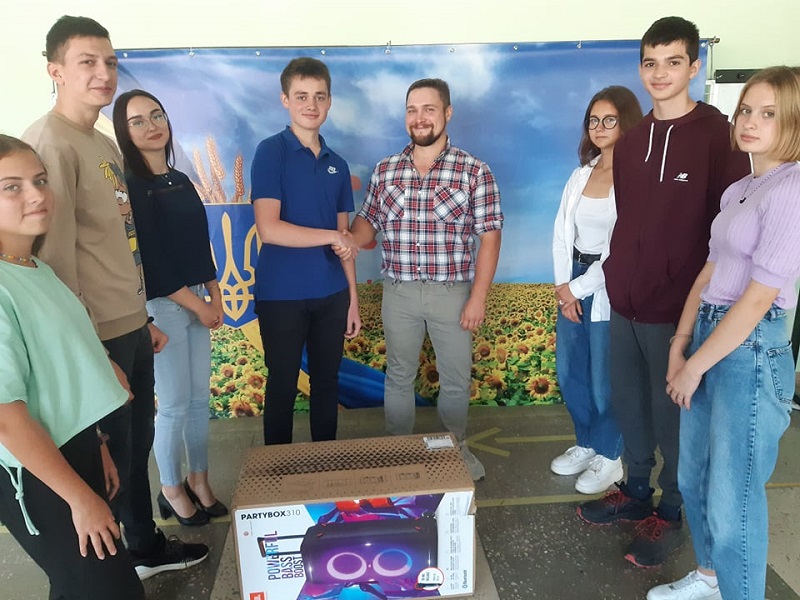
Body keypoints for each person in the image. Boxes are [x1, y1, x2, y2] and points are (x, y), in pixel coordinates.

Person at [22, 15, 208, 579]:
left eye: (109, 61)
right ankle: (113, 569)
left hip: (128, 322)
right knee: (107, 457)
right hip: (95, 334)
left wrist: (140, 317)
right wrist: (91, 350)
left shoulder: (101, 142)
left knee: (135, 444)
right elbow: (55, 263)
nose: (103, 73)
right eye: (87, 62)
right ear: (55, 70)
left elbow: (117, 243)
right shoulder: (50, 144)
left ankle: (143, 546)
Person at [576, 16, 751, 568]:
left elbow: (729, 231)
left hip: (679, 310)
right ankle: (635, 492)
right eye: (650, 63)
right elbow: (630, 221)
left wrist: (697, 307)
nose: (660, 73)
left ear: (694, 67)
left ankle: (671, 510)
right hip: (625, 302)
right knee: (630, 406)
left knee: (673, 417)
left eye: (673, 62)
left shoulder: (718, 137)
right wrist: (617, 275)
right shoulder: (631, 142)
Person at [647, 66, 800, 600]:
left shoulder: (792, 187)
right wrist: (680, 345)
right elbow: (709, 273)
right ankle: (711, 576)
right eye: (746, 111)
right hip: (711, 337)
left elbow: (757, 298)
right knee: (693, 477)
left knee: (734, 498)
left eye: (769, 114)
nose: (750, 122)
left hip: (750, 351)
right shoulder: (741, 188)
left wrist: (695, 365)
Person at [0, 135, 145, 599]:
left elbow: (61, 377)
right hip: (38, 474)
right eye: (12, 187)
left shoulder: (34, 269)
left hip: (72, 452)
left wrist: (96, 445)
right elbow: (6, 418)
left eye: (40, 180)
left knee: (77, 587)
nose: (36, 194)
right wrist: (79, 497)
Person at [347, 78, 503, 481]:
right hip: (398, 292)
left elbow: (489, 237)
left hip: (452, 293)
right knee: (399, 376)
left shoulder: (474, 170)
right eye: (412, 110)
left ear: (447, 113)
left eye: (429, 109)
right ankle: (398, 451)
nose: (419, 118)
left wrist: (478, 298)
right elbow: (367, 224)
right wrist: (345, 239)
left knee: (455, 379)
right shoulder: (386, 170)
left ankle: (456, 451)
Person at [112, 89, 228, 526]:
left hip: (197, 297)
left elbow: (200, 242)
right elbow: (153, 261)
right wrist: (197, 305)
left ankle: (199, 479)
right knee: (175, 404)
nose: (151, 126)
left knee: (199, 401)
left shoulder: (180, 179)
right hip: (166, 305)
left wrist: (214, 294)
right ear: (125, 133)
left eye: (156, 115)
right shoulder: (133, 186)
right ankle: (171, 488)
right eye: (138, 121)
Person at [250, 57, 361, 445]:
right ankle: (277, 472)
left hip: (332, 293)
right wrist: (332, 236)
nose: (311, 104)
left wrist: (353, 299)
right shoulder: (270, 152)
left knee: (327, 382)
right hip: (281, 295)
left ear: (329, 101)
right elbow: (269, 229)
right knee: (282, 383)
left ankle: (325, 465)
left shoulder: (338, 165)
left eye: (319, 96)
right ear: (285, 100)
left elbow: (346, 241)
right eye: (301, 96)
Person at [551, 86, 643, 494]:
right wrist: (563, 287)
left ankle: (609, 455)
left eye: (609, 120)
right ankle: (587, 442)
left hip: (608, 282)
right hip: (571, 278)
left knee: (606, 378)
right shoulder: (581, 174)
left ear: (627, 123)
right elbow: (561, 233)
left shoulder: (636, 178)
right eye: (593, 120)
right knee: (571, 371)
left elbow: (622, 248)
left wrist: (578, 288)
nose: (600, 127)